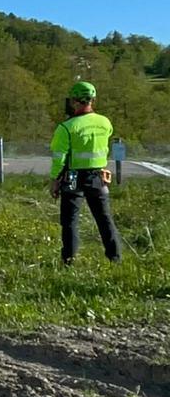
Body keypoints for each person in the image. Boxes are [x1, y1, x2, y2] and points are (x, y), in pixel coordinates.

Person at [50, 79, 121, 264]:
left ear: (74, 101)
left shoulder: (66, 127)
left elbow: (59, 157)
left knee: (70, 220)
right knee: (104, 218)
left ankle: (69, 259)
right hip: (98, 175)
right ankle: (115, 258)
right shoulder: (105, 122)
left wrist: (55, 180)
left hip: (72, 176)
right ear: (92, 100)